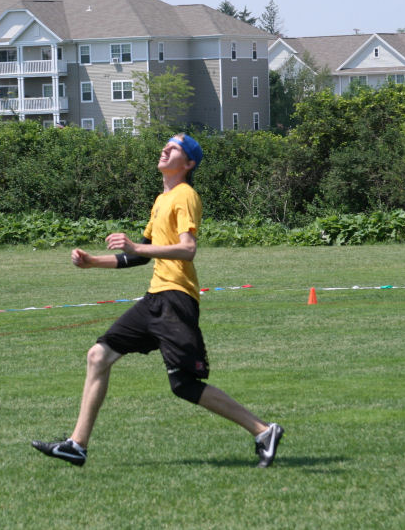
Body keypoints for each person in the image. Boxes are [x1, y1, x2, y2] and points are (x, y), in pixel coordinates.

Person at [31, 134, 284, 468]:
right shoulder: (162, 199)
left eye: (174, 148)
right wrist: (93, 262)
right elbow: (139, 255)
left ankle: (264, 430)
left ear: (189, 163)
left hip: (176, 299)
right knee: (98, 355)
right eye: (166, 145)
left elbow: (187, 249)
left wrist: (136, 246)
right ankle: (77, 445)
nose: (165, 149)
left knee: (184, 385)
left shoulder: (185, 195)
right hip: (155, 298)